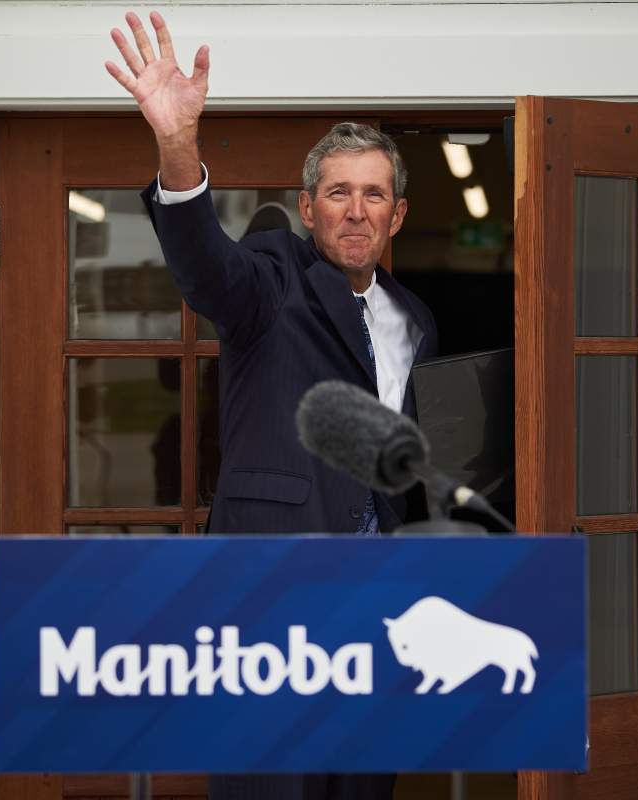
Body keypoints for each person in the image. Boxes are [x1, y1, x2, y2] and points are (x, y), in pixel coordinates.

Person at [105, 11, 438, 800]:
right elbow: (205, 267)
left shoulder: (415, 317)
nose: (355, 210)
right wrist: (178, 146)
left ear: (396, 217)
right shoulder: (270, 279)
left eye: (374, 195)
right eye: (337, 193)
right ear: (309, 204)